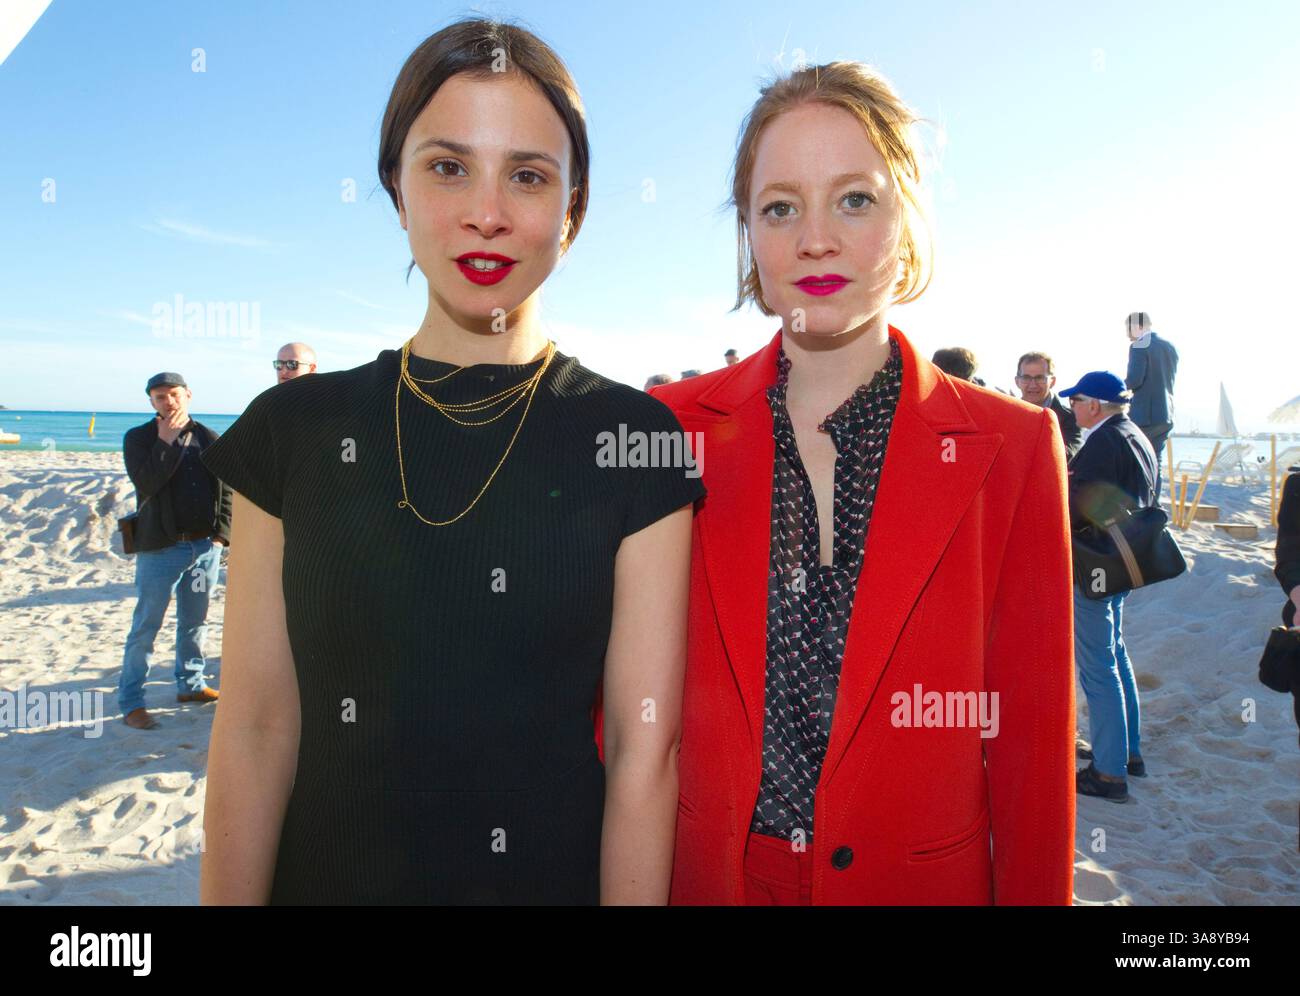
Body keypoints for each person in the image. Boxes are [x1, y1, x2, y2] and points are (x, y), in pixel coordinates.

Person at [198, 19, 702, 905]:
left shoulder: (638, 439)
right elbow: (253, 729)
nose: (488, 212)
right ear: (396, 186)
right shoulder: (290, 430)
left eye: (529, 176)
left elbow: (641, 748)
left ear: (573, 212)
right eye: (447, 166)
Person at [649, 61, 1074, 904]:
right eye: (780, 207)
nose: (815, 238)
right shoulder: (665, 432)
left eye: (854, 198)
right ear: (748, 236)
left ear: (908, 221)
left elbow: (1030, 743)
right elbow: (620, 721)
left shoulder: (1013, 446)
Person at [1059, 371, 1157, 803]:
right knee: (1115, 654)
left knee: (1098, 667)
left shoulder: (1103, 440)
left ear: (1094, 405)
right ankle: (1129, 753)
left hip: (1099, 564)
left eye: (1077, 401)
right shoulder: (1135, 433)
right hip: (1124, 563)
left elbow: (1080, 506)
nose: (1073, 409)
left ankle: (1109, 771)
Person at [119, 372, 231, 730]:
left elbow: (227, 489)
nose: (168, 402)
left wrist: (221, 536)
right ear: (151, 402)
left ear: (188, 395)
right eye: (159, 397)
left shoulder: (208, 436)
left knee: (195, 623)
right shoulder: (138, 438)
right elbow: (146, 483)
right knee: (146, 626)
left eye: (174, 395)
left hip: (204, 548)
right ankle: (132, 701)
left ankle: (191, 685)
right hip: (160, 549)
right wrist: (165, 442)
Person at [1123, 311, 1178, 497]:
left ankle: (1140, 504)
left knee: (1135, 461)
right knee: (1156, 462)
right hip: (1166, 414)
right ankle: (1154, 503)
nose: (1127, 334)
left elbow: (1135, 380)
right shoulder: (1169, 347)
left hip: (1144, 414)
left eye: (1128, 328)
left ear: (1139, 326)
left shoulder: (1139, 346)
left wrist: (1117, 389)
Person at [1015, 351, 1082, 460]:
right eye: (1026, 378)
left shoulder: (1070, 419)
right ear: (1017, 381)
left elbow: (1067, 454)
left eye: (1040, 378)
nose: (1033, 385)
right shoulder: (1007, 416)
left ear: (1052, 381)